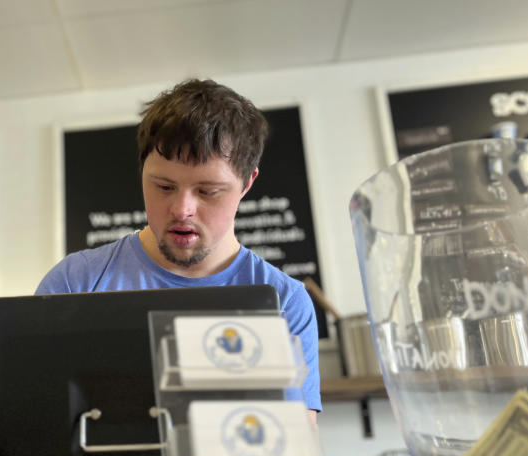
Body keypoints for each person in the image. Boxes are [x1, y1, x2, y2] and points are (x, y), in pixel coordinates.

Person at [36, 78, 321, 420]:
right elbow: (34, 424)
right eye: (164, 186)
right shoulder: (75, 282)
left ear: (247, 183)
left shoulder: (284, 301)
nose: (182, 209)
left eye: (208, 191)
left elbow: (296, 449)